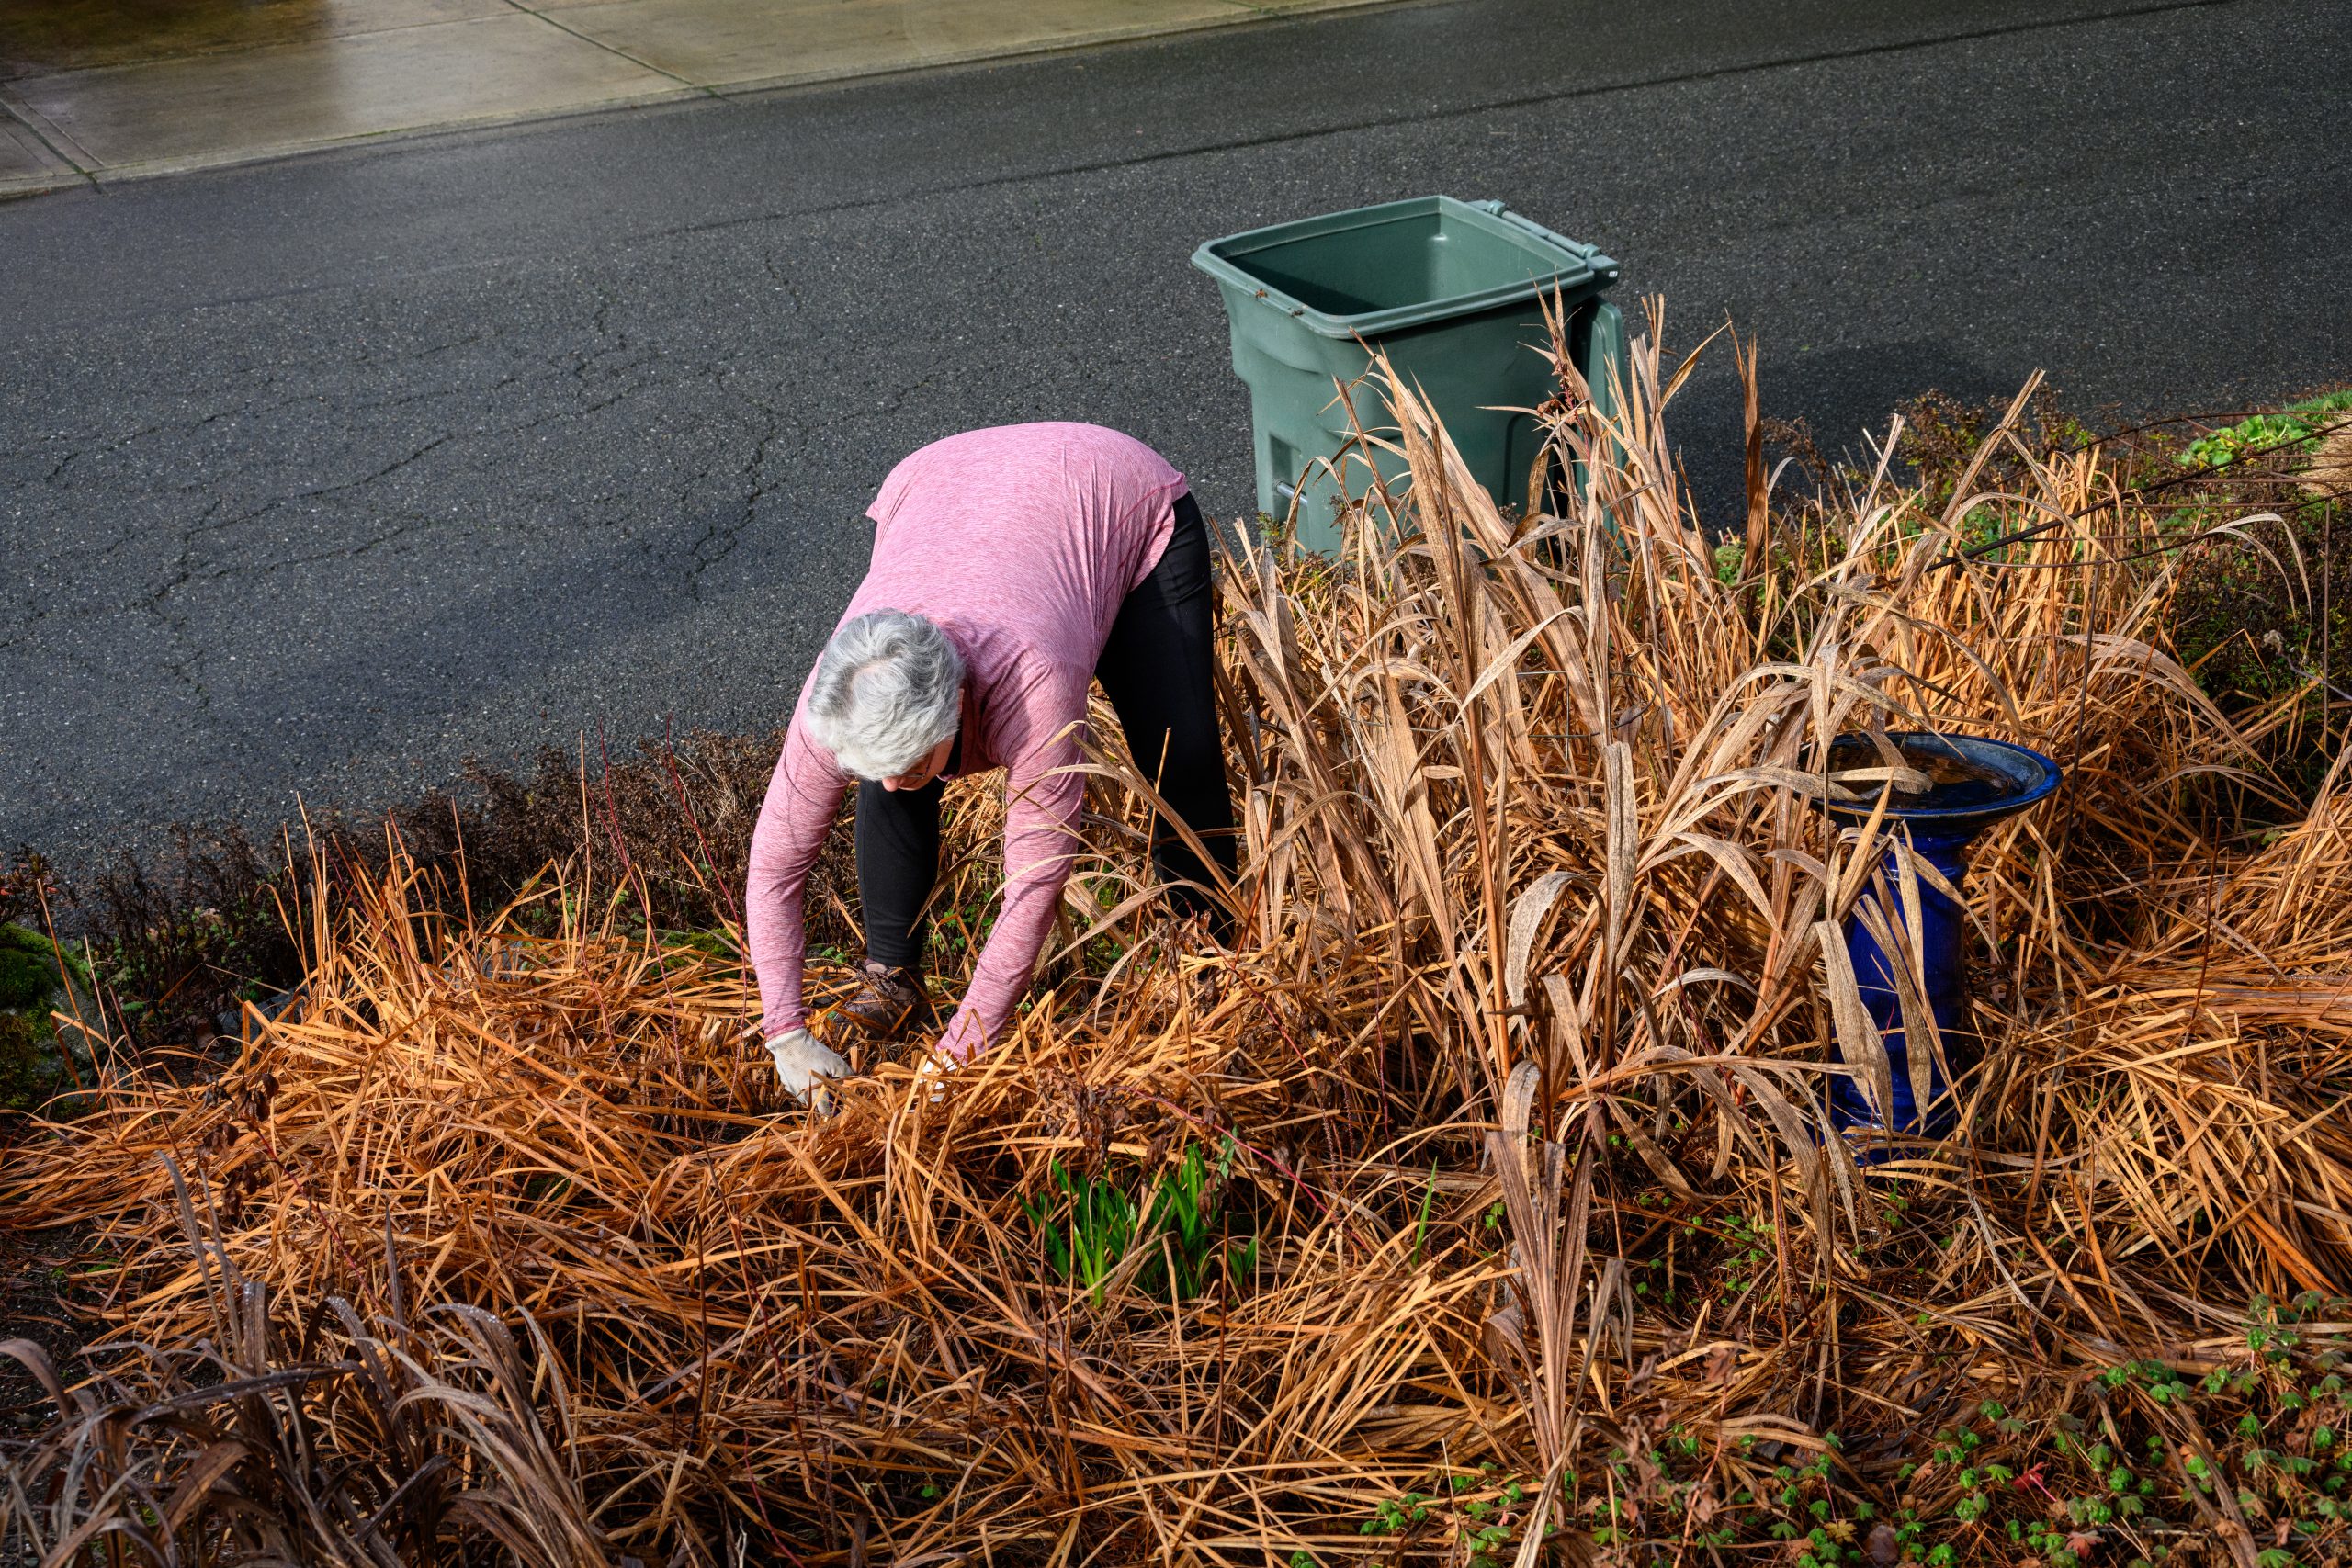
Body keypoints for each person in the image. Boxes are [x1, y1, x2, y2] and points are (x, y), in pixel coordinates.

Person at [745, 423, 1238, 1105]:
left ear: (957, 705)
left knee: (1179, 755)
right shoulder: (837, 690)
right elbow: (774, 865)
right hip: (941, 486)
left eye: (913, 763)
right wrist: (785, 1031)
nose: (888, 785)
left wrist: (962, 1051)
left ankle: (1209, 961)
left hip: (1114, 496)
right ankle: (893, 976)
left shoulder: (1032, 682)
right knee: (892, 766)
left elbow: (1034, 885)